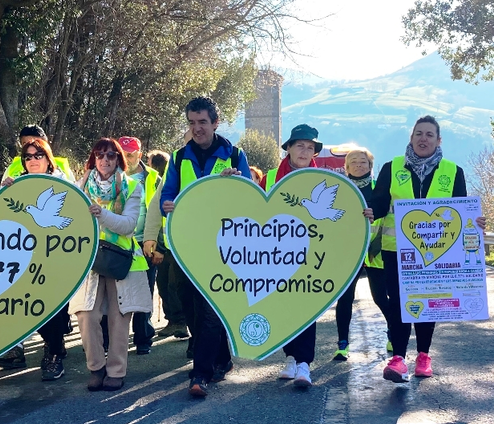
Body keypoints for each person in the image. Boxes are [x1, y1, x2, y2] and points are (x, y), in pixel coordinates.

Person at [364, 115, 486, 383]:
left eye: (429, 134)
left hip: (436, 253)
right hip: (397, 250)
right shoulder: (391, 168)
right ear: (411, 138)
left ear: (438, 140)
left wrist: (474, 221)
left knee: (428, 303)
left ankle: (423, 356)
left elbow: (461, 210)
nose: (423, 139)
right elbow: (380, 203)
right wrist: (371, 211)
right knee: (398, 303)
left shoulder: (453, 172)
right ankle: (398, 359)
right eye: (418, 133)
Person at [160, 96, 250, 398]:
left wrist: (236, 183)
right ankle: (222, 359)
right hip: (185, 246)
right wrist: (166, 205)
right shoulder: (178, 157)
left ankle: (200, 374)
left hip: (222, 247)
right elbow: (167, 195)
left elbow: (249, 198)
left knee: (211, 308)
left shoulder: (234, 155)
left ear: (215, 122)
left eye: (202, 122)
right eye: (191, 122)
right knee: (192, 308)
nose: (196, 128)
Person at [70, 137, 152, 392]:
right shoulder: (80, 186)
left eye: (111, 155)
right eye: (100, 154)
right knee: (86, 315)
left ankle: (116, 371)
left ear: (118, 159)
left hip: (121, 260)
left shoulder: (132, 186)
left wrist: (101, 214)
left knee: (119, 317)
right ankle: (96, 368)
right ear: (93, 159)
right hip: (90, 259)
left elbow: (128, 225)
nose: (105, 159)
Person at [0, 138, 71, 380]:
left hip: (56, 257)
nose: (32, 160)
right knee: (29, 305)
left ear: (48, 159)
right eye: (27, 157)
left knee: (54, 308)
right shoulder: (17, 185)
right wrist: (4, 193)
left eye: (38, 155)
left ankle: (54, 353)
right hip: (24, 259)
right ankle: (49, 343)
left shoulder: (63, 183)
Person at [261, 124, 323, 387]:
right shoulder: (270, 177)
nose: (305, 151)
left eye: (310, 147)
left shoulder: (323, 179)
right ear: (288, 148)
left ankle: (304, 364)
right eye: (300, 146)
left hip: (312, 254)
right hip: (278, 253)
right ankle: (290, 357)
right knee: (283, 306)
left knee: (307, 307)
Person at [332, 147, 392, 360]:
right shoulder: (341, 189)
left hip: (375, 252)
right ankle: (342, 344)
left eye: (363, 162)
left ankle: (393, 333)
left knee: (381, 298)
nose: (359, 165)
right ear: (346, 167)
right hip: (349, 252)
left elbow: (389, 216)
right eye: (354, 162)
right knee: (345, 298)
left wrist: (374, 215)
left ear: (370, 166)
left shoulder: (380, 189)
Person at [119, 136, 161, 355]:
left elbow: (161, 212)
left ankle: (143, 339)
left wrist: (157, 244)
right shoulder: (110, 177)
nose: (127, 158)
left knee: (145, 292)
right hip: (118, 244)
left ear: (139, 154)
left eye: (130, 154)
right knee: (115, 295)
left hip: (145, 243)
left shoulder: (153, 178)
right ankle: (110, 340)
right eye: (123, 154)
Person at [143, 151, 189, 341]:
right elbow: (156, 208)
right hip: (165, 242)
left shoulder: (159, 178)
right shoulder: (164, 180)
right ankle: (175, 322)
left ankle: (181, 323)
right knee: (164, 284)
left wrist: (159, 248)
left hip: (175, 243)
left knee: (173, 286)